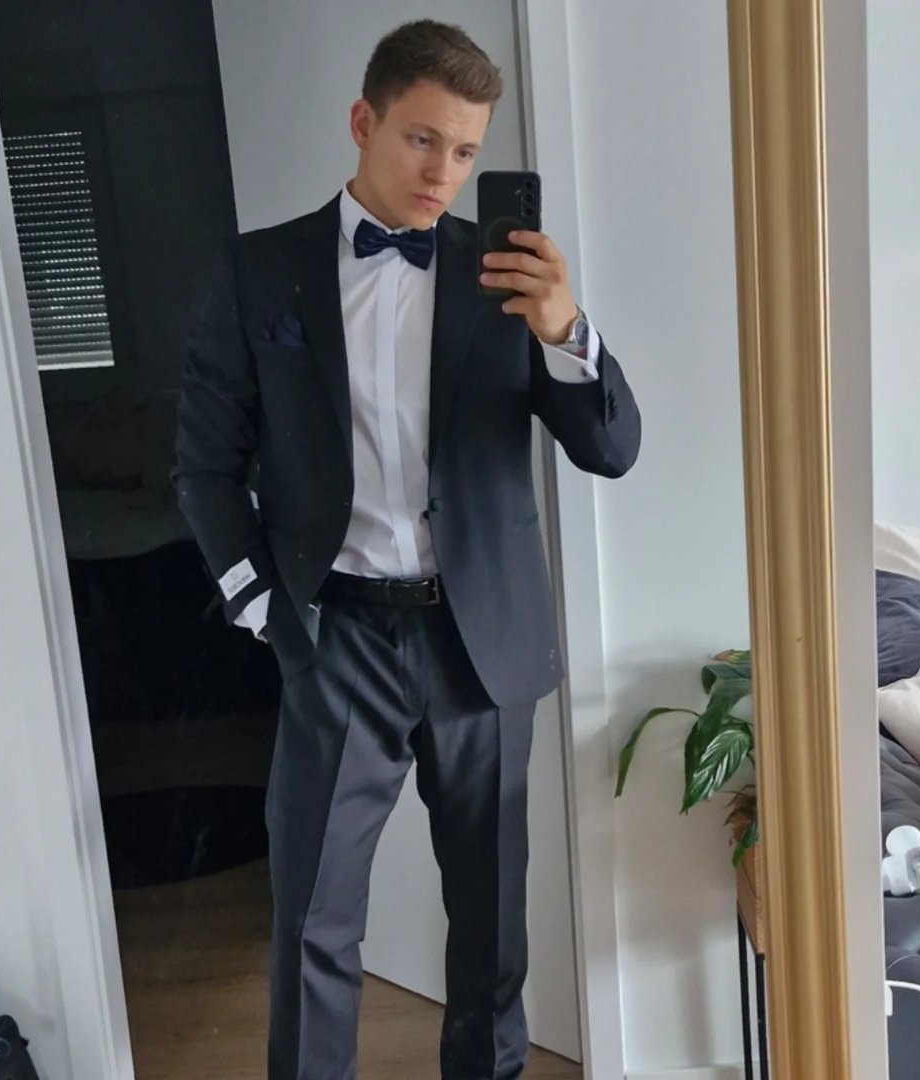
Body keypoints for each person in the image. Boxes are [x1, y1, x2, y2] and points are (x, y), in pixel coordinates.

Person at [173, 18, 641, 1080]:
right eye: (422, 139)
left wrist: (565, 330)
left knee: (490, 930)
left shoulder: (505, 277)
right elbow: (204, 465)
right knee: (312, 920)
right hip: (335, 637)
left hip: (482, 646)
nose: (443, 172)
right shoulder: (261, 272)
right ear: (363, 121)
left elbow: (612, 452)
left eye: (465, 151)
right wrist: (264, 609)